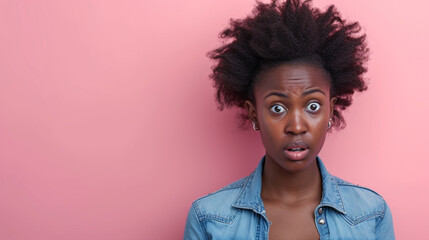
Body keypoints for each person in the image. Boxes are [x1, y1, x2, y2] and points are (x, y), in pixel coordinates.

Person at [184, 0, 395, 239]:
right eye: (277, 108)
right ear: (254, 114)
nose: (296, 127)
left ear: (330, 110)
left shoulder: (371, 214)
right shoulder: (208, 219)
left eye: (313, 106)